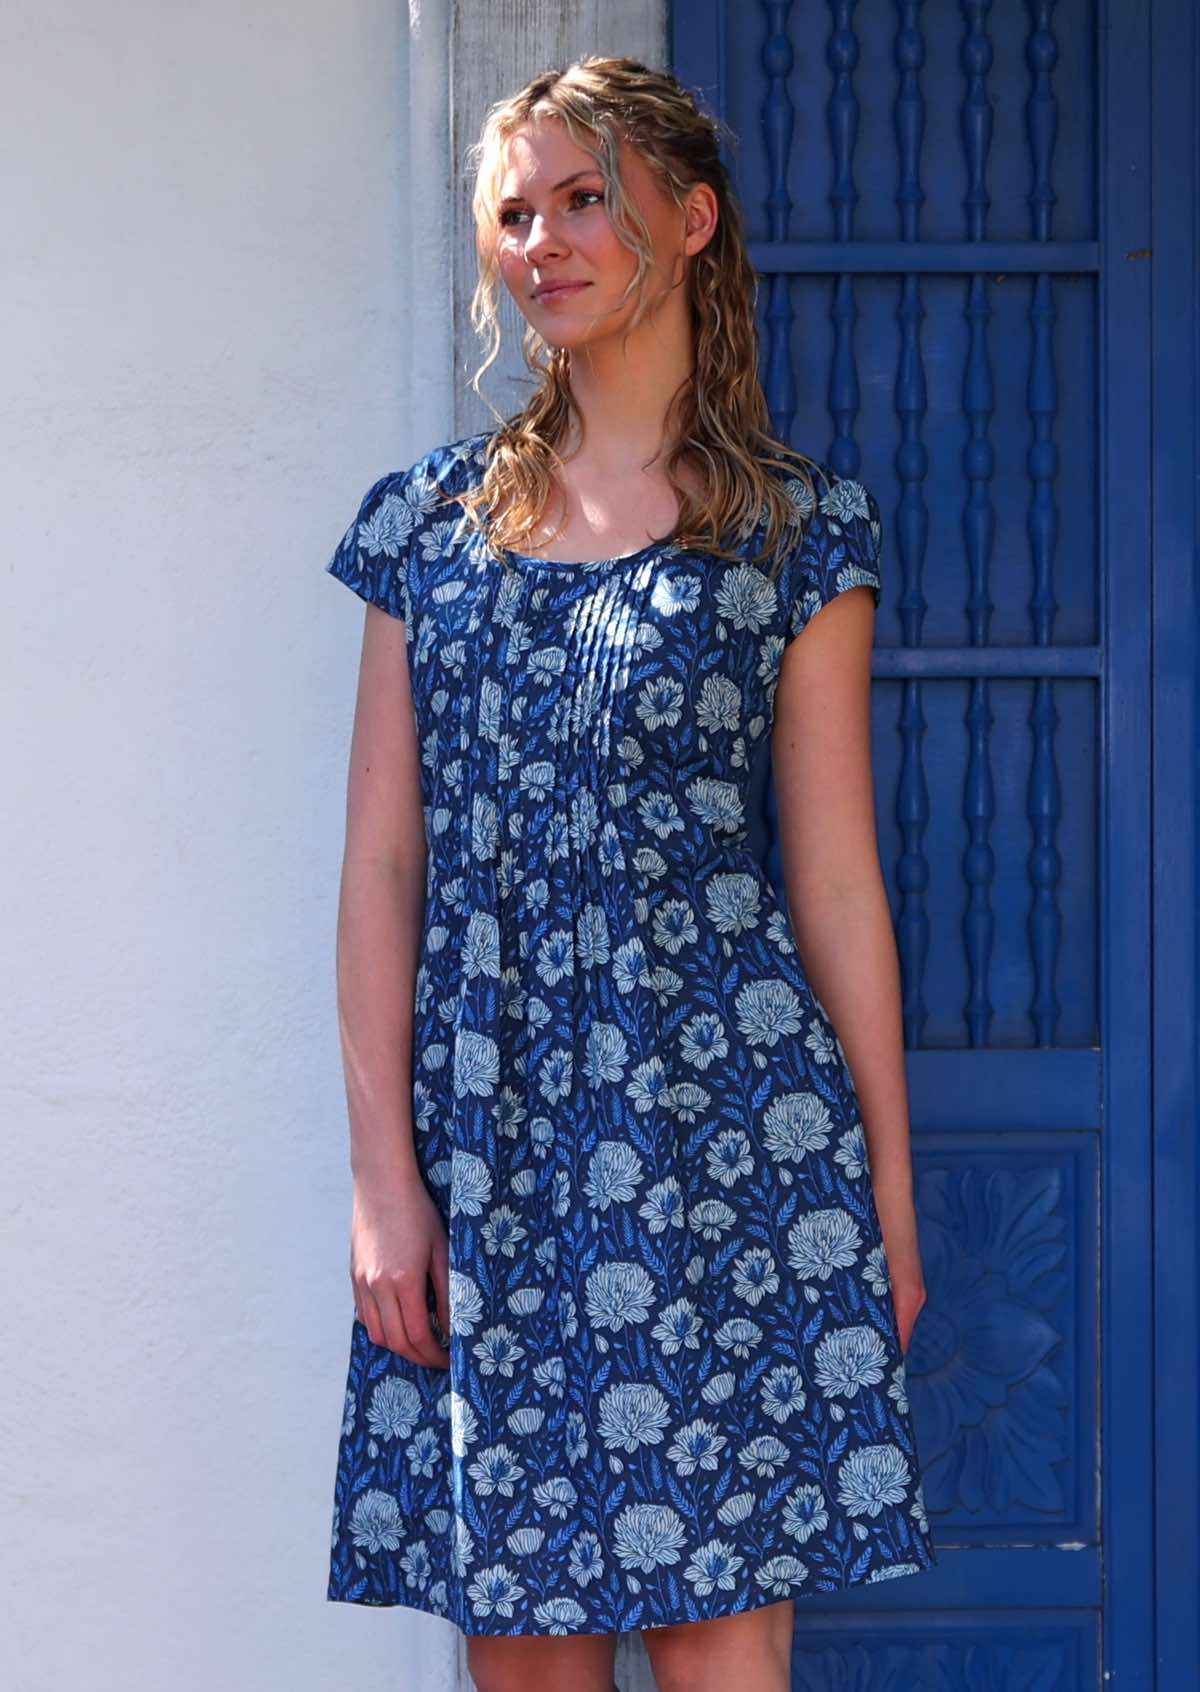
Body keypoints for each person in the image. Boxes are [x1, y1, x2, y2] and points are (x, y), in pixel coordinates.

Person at [322, 53, 937, 1692]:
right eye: (513, 213)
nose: (544, 239)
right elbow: (384, 868)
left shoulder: (800, 533)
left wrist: (882, 1173)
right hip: (498, 1159)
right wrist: (385, 1178)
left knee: (726, 1657)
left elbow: (839, 881)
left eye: (583, 195)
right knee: (525, 1660)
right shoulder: (424, 529)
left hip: (735, 1144)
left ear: (691, 215)